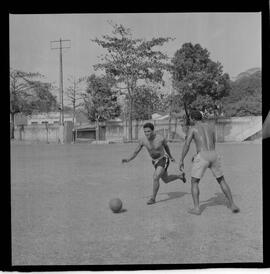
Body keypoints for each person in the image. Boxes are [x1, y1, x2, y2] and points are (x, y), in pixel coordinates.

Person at [179, 110, 240, 215]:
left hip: (202, 156)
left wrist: (181, 159)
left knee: (194, 182)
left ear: (193, 119)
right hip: (213, 154)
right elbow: (213, 142)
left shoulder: (193, 129)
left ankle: (197, 209)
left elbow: (187, 144)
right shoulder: (210, 127)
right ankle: (232, 204)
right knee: (221, 180)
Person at [122, 122, 186, 205]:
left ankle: (153, 198)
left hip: (163, 159)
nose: (146, 133)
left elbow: (166, 147)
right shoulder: (143, 140)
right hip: (154, 161)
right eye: (145, 131)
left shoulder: (160, 138)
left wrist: (170, 156)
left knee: (155, 177)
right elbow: (136, 151)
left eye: (148, 131)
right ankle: (180, 176)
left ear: (153, 131)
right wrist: (128, 159)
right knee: (166, 180)